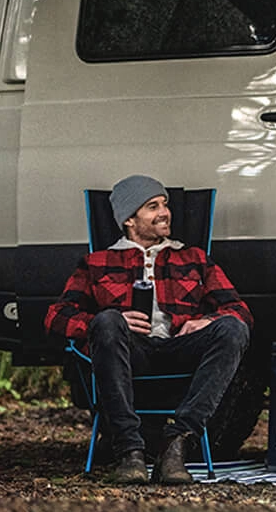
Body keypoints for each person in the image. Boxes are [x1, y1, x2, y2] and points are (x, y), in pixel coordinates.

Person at [46, 174, 252, 485]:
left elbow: (240, 311)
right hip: (130, 353)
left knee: (233, 329)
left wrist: (206, 321)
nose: (164, 212)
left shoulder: (193, 258)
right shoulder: (97, 263)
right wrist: (109, 321)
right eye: (152, 206)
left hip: (180, 350)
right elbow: (56, 316)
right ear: (129, 219)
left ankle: (177, 443)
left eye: (165, 204)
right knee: (106, 321)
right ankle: (130, 451)